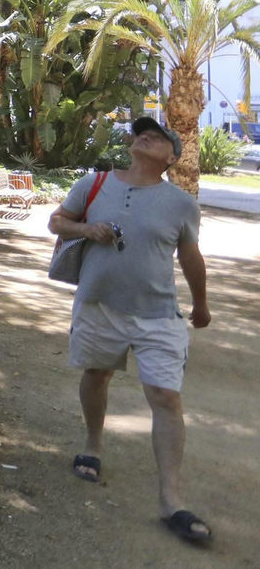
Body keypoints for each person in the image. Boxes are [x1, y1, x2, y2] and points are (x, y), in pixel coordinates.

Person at [49, 116, 211, 546]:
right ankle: (93, 445)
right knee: (97, 374)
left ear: (172, 158)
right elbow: (57, 222)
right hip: (99, 303)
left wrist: (201, 303)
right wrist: (87, 228)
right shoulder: (95, 182)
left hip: (158, 313)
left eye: (159, 137)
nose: (148, 136)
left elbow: (191, 257)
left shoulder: (181, 203)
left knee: (165, 395)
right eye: (144, 132)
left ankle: (171, 500)